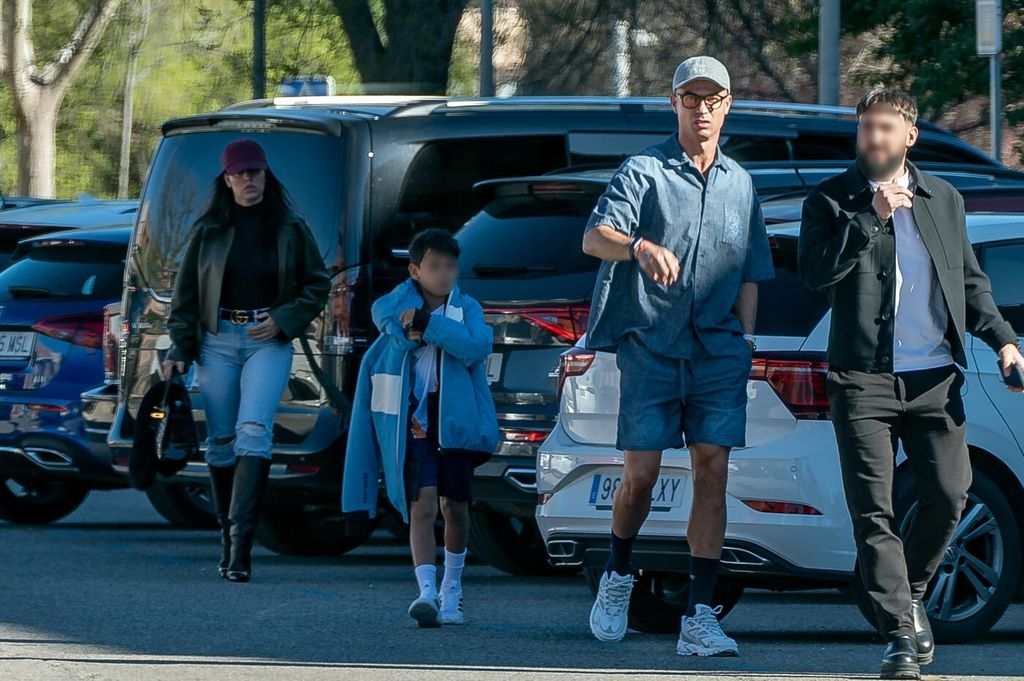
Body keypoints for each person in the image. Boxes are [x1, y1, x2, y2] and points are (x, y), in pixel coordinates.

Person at [798, 87, 1024, 680]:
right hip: (862, 379)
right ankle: (901, 634)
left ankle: (905, 597)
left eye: (884, 129)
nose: (873, 139)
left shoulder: (944, 200)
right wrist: (871, 217)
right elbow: (816, 272)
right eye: (865, 128)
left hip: (933, 380)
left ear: (909, 136)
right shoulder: (831, 200)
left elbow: (969, 283)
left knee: (951, 494)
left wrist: (1003, 342)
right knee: (872, 512)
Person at [582, 56, 774, 656]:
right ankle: (616, 574)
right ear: (674, 103)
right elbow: (594, 237)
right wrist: (638, 246)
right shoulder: (644, 170)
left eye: (713, 99)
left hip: (717, 351)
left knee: (712, 470)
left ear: (728, 105)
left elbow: (751, 269)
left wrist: (743, 338)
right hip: (652, 347)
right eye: (691, 98)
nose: (703, 109)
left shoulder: (741, 183)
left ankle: (698, 616)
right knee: (639, 478)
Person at [163, 138, 330, 583]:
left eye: (254, 172)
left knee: (253, 432)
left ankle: (242, 548)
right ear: (226, 179)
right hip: (216, 340)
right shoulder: (208, 230)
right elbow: (185, 299)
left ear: (266, 175)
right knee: (220, 441)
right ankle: (225, 538)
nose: (247, 180)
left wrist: (282, 320)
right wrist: (179, 349)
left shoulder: (290, 226)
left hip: (267, 340)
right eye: (239, 173)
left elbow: (317, 285)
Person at [342, 228, 498, 628]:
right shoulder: (398, 304)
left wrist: (429, 326)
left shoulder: (469, 309)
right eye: (434, 266)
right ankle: (426, 591)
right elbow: (385, 317)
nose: (444, 274)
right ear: (415, 270)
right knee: (422, 505)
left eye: (450, 266)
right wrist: (408, 330)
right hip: (413, 419)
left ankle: (452, 588)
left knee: (456, 507)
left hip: (456, 424)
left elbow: (476, 347)